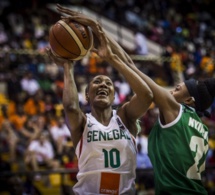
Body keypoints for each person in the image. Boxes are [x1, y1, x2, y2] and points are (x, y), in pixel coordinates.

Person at [56, 5, 215, 194]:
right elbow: (132, 68)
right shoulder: (202, 128)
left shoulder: (174, 109)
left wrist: (101, 35)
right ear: (87, 95)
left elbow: (134, 70)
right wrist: (99, 32)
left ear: (189, 100)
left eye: (179, 88)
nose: (173, 89)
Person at [47, 6, 153, 194]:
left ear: (114, 95)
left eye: (108, 83)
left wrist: (111, 58)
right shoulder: (82, 123)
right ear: (87, 95)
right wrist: (67, 67)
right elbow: (71, 107)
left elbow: (146, 96)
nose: (103, 84)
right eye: (97, 81)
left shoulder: (125, 116)